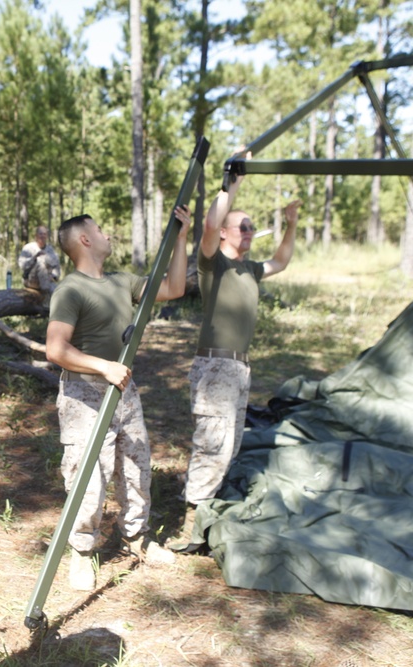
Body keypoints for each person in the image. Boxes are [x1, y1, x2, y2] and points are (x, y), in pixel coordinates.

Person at [45, 207, 191, 590]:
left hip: (124, 391)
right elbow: (56, 349)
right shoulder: (70, 289)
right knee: (87, 479)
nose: (109, 234)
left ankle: (136, 540)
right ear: (85, 239)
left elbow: (174, 288)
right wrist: (103, 366)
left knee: (136, 470)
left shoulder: (122, 281)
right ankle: (81, 554)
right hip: (84, 393)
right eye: (100, 229)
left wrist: (181, 237)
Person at [182, 150, 302, 536]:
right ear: (225, 234)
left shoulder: (250, 269)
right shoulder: (213, 263)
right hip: (215, 366)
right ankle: (191, 520)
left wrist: (291, 224)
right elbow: (208, 225)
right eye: (243, 226)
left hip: (239, 367)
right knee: (212, 445)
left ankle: (207, 507)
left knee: (231, 445)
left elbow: (281, 262)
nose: (250, 232)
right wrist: (232, 184)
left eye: (252, 227)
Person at [17, 225, 61, 294]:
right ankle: (45, 292)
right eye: (40, 234)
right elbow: (22, 265)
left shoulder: (50, 250)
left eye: (44, 234)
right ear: (36, 235)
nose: (42, 236)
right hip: (30, 279)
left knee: (58, 293)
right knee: (40, 261)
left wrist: (53, 276)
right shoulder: (28, 248)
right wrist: (34, 258)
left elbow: (56, 267)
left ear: (46, 236)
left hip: (47, 279)